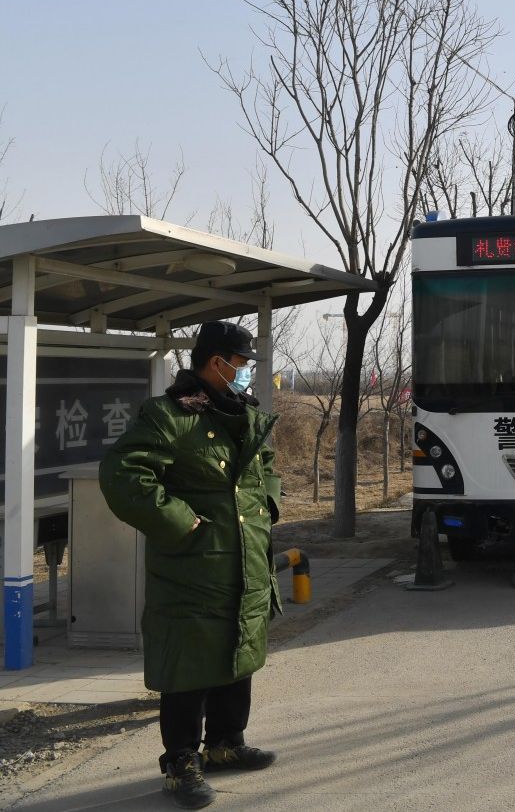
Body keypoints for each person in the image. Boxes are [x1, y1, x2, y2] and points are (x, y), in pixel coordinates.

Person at [100, 321, 281, 809]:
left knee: (236, 650)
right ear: (216, 362)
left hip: (244, 558)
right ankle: (181, 763)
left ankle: (225, 743)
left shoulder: (243, 414)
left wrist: (267, 511)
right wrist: (184, 524)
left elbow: (267, 469)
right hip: (192, 567)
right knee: (188, 665)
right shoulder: (168, 416)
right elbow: (122, 474)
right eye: (240, 364)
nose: (245, 374)